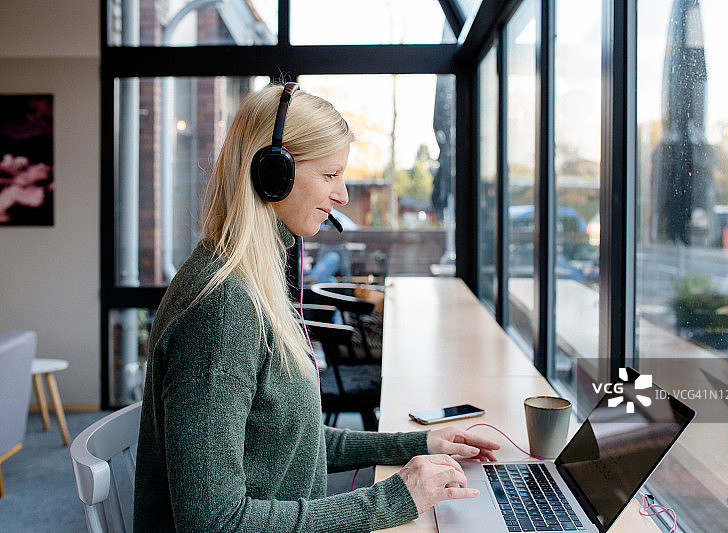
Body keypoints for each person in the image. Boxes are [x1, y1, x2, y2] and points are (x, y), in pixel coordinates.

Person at [133, 83, 499, 532]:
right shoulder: (224, 310)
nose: (343, 195)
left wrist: (417, 442)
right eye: (330, 175)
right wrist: (392, 499)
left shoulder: (252, 282)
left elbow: (291, 439)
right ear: (273, 174)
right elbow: (214, 522)